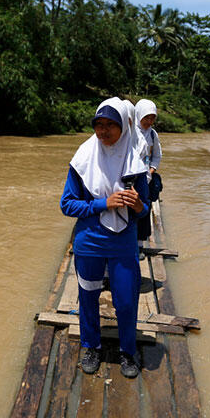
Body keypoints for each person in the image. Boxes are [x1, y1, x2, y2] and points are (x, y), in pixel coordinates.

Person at [60, 97, 150, 378]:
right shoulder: (83, 160)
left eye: (111, 124)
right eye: (99, 124)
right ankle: (92, 346)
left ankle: (127, 351)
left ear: (124, 126)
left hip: (123, 243)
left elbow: (145, 207)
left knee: (126, 299)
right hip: (89, 241)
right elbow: (67, 204)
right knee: (88, 296)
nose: (103, 131)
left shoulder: (135, 163)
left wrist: (137, 206)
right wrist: (103, 203)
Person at [134, 99, 163, 249]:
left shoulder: (152, 134)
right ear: (138, 115)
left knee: (144, 210)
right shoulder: (129, 132)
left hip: (146, 179)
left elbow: (157, 156)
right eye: (147, 117)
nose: (150, 121)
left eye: (153, 118)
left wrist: (151, 171)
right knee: (128, 209)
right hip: (129, 178)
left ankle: (139, 245)